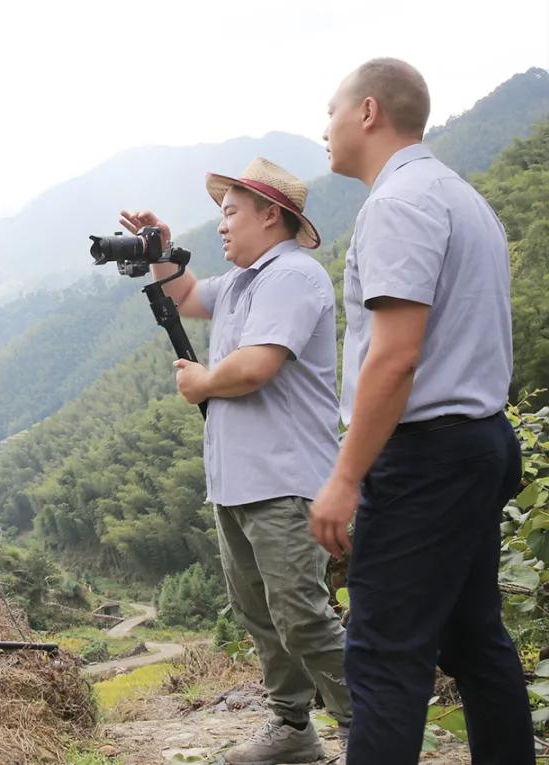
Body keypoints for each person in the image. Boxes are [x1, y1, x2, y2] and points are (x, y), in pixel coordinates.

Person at [312, 57, 534, 764]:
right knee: (474, 638)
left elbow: (395, 354)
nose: (325, 128)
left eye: (331, 111)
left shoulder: (397, 204)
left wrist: (347, 476)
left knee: (382, 653)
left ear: (369, 112)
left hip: (425, 455)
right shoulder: (463, 198)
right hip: (479, 441)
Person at [121, 157, 351, 764]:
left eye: (230, 213)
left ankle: (372, 729)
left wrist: (200, 383)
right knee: (262, 617)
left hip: (286, 479)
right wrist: (161, 249)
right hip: (238, 483)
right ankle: (293, 731)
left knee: (302, 616)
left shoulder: (293, 277)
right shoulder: (246, 282)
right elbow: (188, 295)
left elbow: (254, 368)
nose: (221, 227)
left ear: (271, 214)